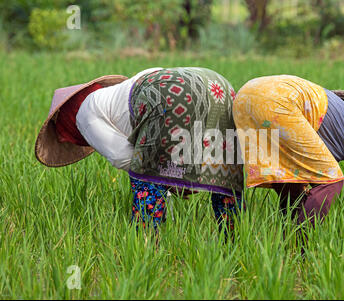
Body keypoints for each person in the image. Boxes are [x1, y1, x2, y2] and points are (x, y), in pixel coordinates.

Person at [35, 67, 244, 237]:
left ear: (67, 126)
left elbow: (123, 157)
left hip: (170, 95)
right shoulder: (121, 91)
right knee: (224, 171)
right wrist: (179, 178)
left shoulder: (83, 114)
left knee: (143, 171)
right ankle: (234, 242)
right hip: (217, 84)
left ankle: (147, 246)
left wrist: (171, 181)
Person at [232, 75, 344, 226]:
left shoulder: (338, 116)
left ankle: (287, 233)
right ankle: (297, 245)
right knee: (332, 180)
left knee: (290, 176)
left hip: (245, 96)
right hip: (279, 101)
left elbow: (304, 168)